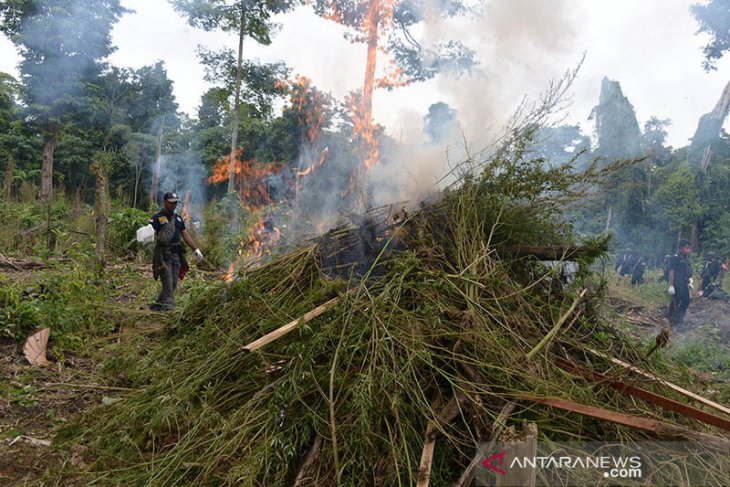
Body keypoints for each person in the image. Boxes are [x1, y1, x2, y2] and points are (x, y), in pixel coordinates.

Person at [149, 192, 203, 310]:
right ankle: (170, 309)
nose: (174, 205)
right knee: (167, 283)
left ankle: (158, 305)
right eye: (171, 203)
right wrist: (145, 240)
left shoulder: (178, 218)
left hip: (176, 256)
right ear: (164, 202)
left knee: (172, 284)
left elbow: (185, 234)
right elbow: (149, 232)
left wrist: (196, 249)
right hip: (163, 256)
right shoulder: (157, 217)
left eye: (175, 203)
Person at [667, 240, 693, 327]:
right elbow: (671, 271)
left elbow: (687, 270)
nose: (688, 250)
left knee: (686, 300)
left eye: (689, 248)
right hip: (677, 281)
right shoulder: (675, 258)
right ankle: (672, 318)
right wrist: (671, 285)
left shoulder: (686, 258)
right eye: (687, 248)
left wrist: (690, 280)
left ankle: (679, 317)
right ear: (681, 248)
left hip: (684, 282)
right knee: (676, 300)